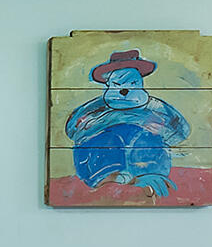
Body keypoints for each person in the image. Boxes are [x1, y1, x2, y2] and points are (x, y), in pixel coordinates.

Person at [64, 47, 190, 196]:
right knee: (107, 140)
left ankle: (148, 177)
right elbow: (73, 129)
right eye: (117, 85)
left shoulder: (155, 107)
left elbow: (180, 130)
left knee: (148, 138)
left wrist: (160, 130)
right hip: (102, 164)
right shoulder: (96, 109)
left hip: (142, 164)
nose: (125, 90)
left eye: (132, 84)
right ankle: (107, 177)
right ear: (109, 84)